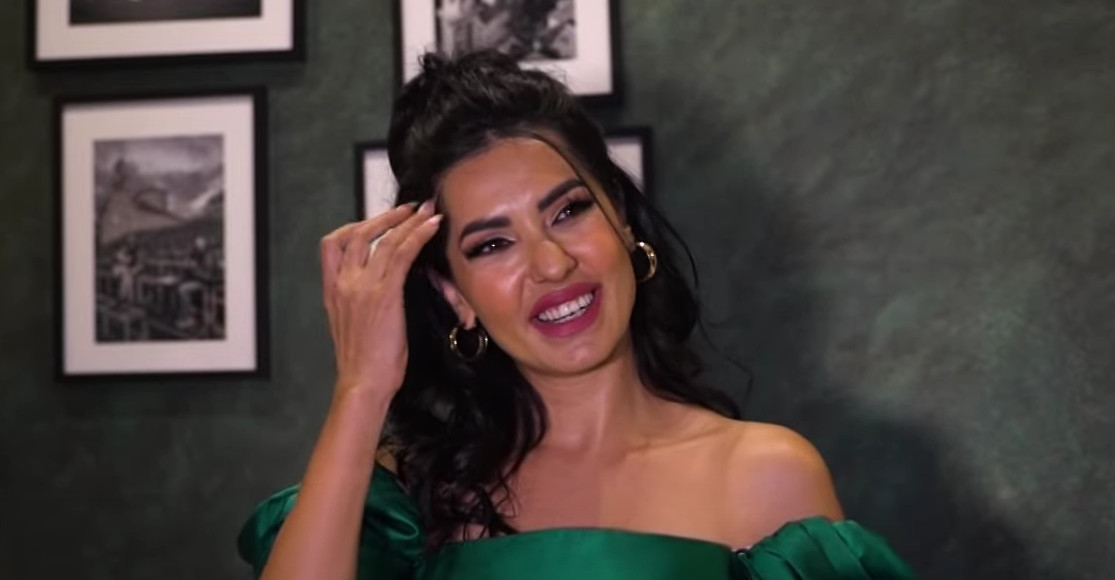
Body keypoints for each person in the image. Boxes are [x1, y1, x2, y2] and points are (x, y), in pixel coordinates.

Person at [238, 51, 918, 580]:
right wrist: (362, 388)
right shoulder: (406, 503)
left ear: (621, 219)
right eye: (492, 244)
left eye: (569, 211)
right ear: (455, 295)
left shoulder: (767, 475)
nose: (551, 263)